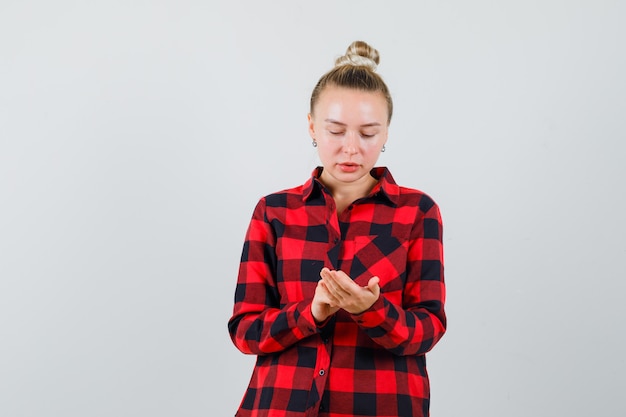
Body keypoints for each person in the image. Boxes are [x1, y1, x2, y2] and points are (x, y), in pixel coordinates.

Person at [228, 40, 446, 417]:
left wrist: (373, 310)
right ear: (312, 126)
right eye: (336, 131)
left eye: (368, 133)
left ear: (387, 133)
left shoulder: (417, 212)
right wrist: (310, 313)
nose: (351, 149)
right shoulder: (274, 212)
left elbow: (428, 328)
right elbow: (246, 331)